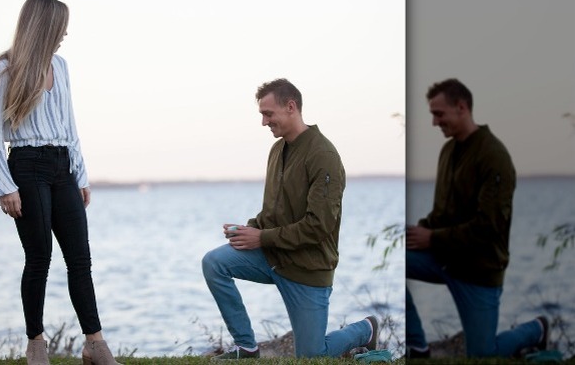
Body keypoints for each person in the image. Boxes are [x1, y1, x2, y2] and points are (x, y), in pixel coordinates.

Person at [0, 0, 120, 365]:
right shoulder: (4, 69)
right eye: (60, 26)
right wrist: (4, 185)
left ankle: (95, 344)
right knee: (39, 257)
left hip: (62, 167)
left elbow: (70, 126)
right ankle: (36, 345)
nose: (64, 34)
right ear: (44, 26)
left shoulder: (61, 65)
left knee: (80, 259)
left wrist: (81, 173)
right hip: (26, 166)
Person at [201, 78, 378, 359]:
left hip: (307, 267)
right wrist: (250, 229)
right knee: (214, 262)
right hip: (274, 256)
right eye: (262, 114)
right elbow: (273, 213)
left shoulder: (324, 155)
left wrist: (261, 237)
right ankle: (246, 347)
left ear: (291, 107)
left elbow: (319, 227)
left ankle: (365, 329)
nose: (263, 122)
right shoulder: (277, 150)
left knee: (310, 357)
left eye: (268, 114)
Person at [406, 78, 548, 358]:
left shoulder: (494, 156)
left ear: (462, 107)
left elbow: (488, 228)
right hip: (443, 258)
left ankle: (536, 329)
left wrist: (432, 238)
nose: (435, 122)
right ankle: (418, 347)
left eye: (439, 114)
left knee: (482, 356)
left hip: (477, 271)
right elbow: (442, 214)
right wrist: (419, 231)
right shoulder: (448, 151)